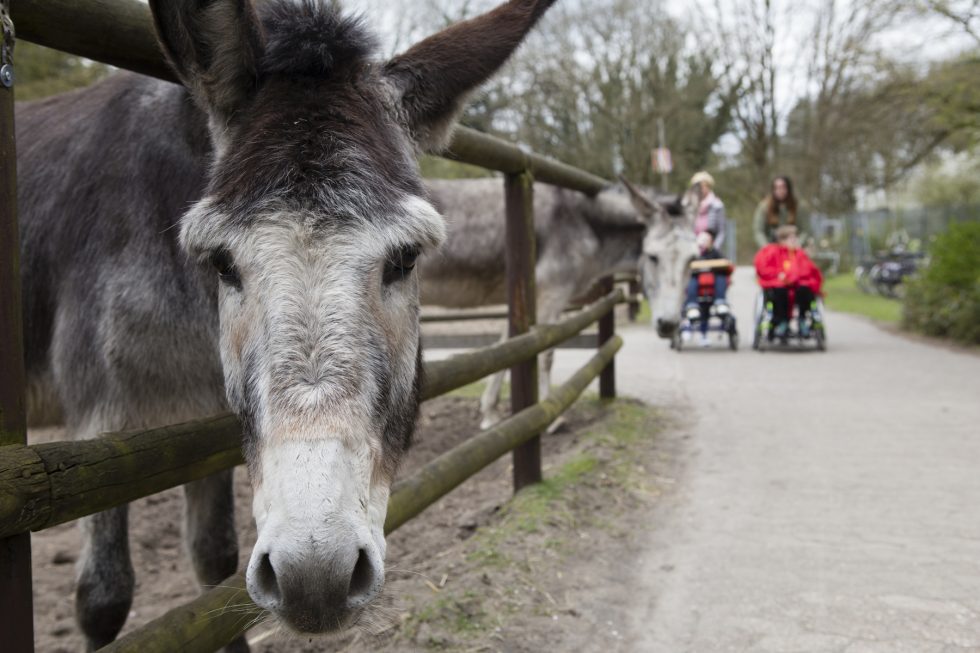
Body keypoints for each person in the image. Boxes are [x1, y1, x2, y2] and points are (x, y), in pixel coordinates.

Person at [754, 225, 823, 338]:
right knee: (780, 290)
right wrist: (779, 275)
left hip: (797, 285)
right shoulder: (772, 252)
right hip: (779, 285)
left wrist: (795, 277)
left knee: (805, 289)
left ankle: (802, 319)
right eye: (791, 238)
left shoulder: (799, 254)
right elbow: (764, 268)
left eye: (795, 238)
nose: (794, 241)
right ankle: (782, 321)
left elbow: (810, 270)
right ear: (782, 240)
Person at [684, 231, 733, 345]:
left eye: (707, 241)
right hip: (698, 285)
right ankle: (692, 305)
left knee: (721, 277)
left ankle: (720, 302)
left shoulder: (715, 253)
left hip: (713, 286)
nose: (704, 244)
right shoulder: (694, 254)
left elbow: (725, 264)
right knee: (691, 282)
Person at [753, 176, 799, 248]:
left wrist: (797, 245)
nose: (780, 190)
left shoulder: (797, 206)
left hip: (793, 248)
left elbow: (805, 230)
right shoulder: (764, 207)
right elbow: (759, 231)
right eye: (777, 188)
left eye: (783, 187)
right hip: (771, 247)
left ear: (788, 189)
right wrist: (767, 247)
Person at [689, 171, 727, 250]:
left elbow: (721, 232)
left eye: (703, 186)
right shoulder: (689, 206)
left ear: (708, 187)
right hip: (693, 249)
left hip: (710, 251)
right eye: (697, 187)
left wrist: (713, 249)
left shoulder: (717, 205)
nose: (700, 189)